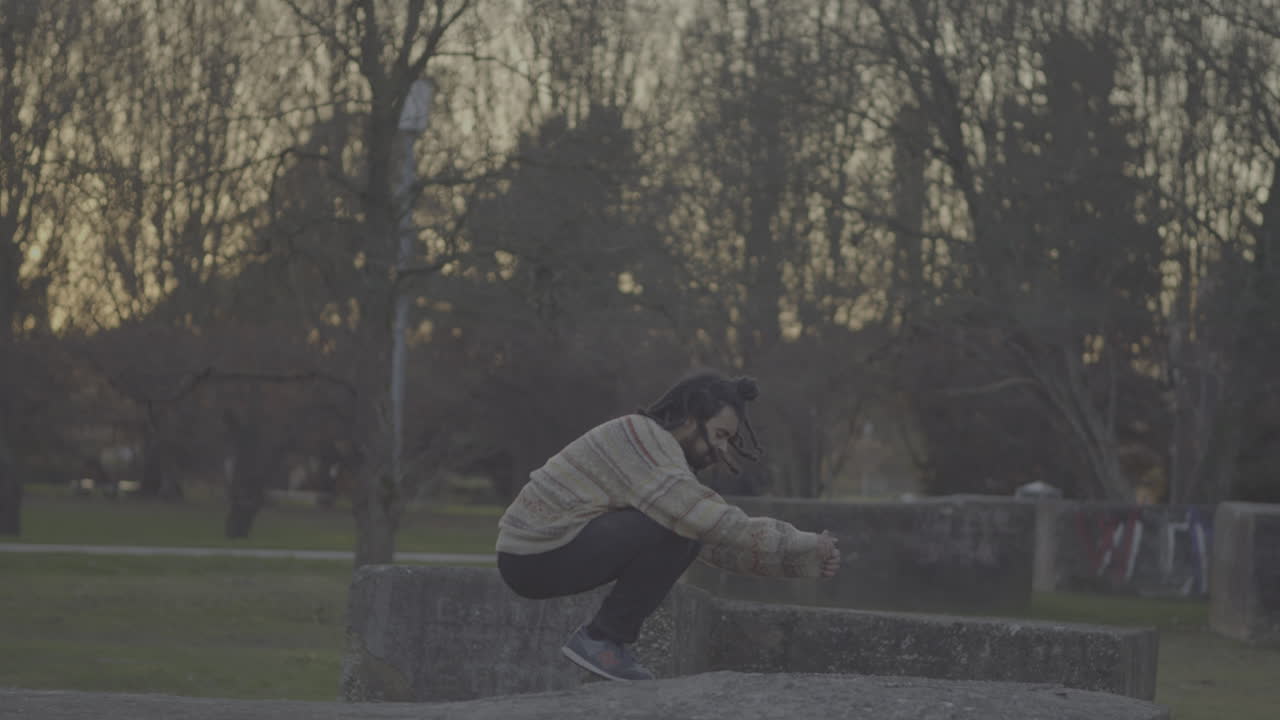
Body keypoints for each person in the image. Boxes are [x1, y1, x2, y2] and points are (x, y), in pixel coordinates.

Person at [495, 369, 842, 682]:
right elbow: (719, 524)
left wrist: (800, 561)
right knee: (679, 528)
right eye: (720, 434)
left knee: (683, 531)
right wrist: (802, 540)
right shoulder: (640, 440)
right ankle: (602, 641)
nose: (722, 449)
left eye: (729, 441)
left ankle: (604, 652)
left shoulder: (658, 454)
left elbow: (709, 544)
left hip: (536, 556)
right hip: (535, 554)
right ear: (691, 419)